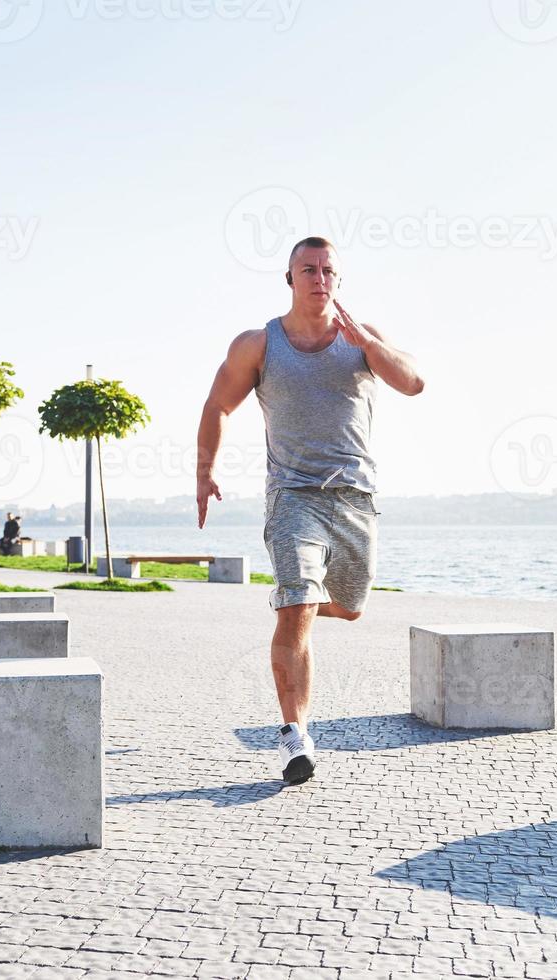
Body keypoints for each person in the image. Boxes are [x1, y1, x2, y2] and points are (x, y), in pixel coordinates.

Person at [196, 236, 425, 784]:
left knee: (347, 607)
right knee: (297, 606)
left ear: (338, 280)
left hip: (356, 498)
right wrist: (205, 470)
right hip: (293, 495)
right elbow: (217, 404)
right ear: (289, 278)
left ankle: (294, 597)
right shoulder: (259, 343)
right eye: (308, 269)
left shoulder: (364, 341)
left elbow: (414, 383)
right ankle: (294, 736)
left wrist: (367, 342)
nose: (319, 278)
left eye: (328, 270)